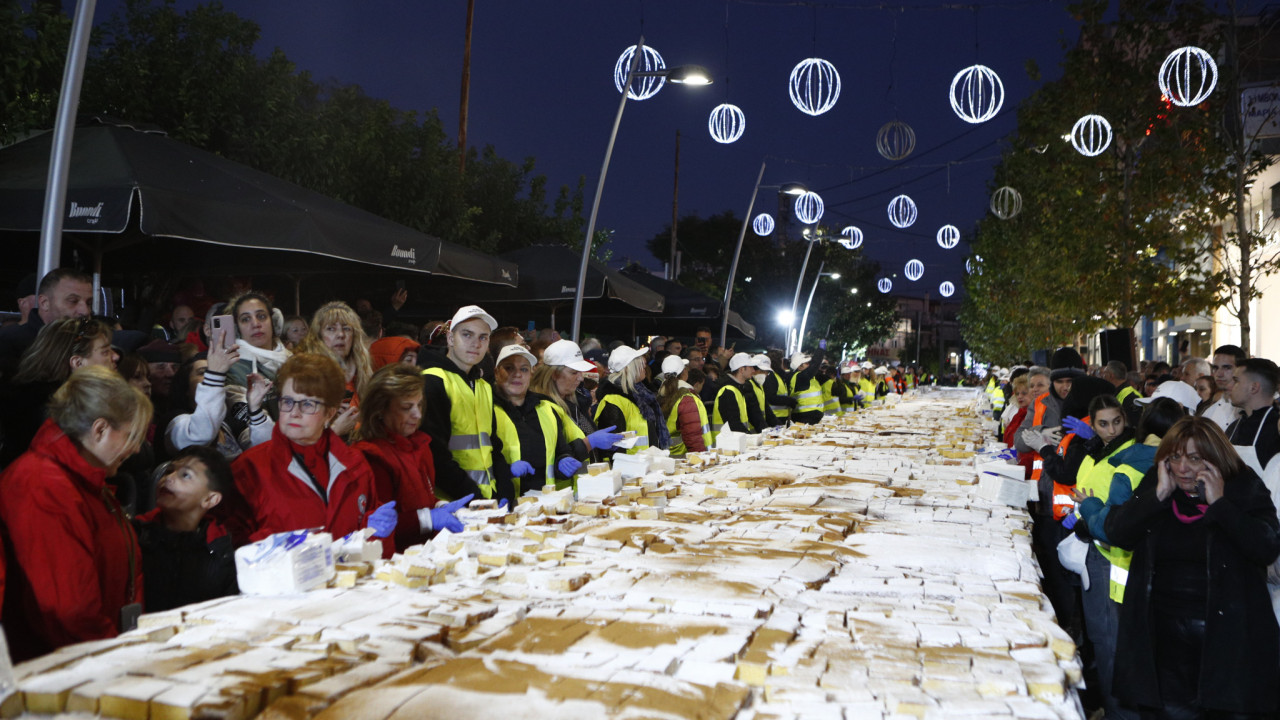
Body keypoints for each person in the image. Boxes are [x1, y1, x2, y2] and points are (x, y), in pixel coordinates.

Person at [1107, 416, 1280, 718]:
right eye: (1174, 457)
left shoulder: (1242, 485)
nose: (1183, 468)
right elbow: (1118, 534)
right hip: (1163, 638)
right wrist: (1156, 496)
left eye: (1194, 458)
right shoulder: (1159, 484)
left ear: (1215, 459)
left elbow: (1265, 547)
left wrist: (1221, 505)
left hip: (1227, 637)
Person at [0, 366, 150, 661]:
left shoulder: (86, 481)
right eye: (131, 436)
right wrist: (117, 662)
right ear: (100, 429)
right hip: (59, 675)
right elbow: (68, 611)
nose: (134, 450)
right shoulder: (43, 485)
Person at [230, 354, 397, 551]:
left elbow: (376, 550)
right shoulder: (249, 468)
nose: (294, 412)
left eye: (308, 404)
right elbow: (233, 552)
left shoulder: (356, 465)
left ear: (330, 412)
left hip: (348, 580)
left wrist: (373, 533)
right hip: (281, 580)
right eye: (288, 401)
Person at [353, 365, 471, 552]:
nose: (417, 414)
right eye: (407, 407)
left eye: (419, 404)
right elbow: (378, 527)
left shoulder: (419, 445)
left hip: (426, 553)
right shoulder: (372, 457)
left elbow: (417, 496)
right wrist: (428, 518)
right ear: (380, 410)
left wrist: (439, 504)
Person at [420, 306, 515, 504]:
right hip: (451, 503)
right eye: (467, 335)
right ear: (450, 339)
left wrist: (504, 493)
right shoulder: (432, 381)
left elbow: (493, 445)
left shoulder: (482, 386)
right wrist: (477, 499)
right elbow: (435, 455)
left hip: (487, 500)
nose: (475, 343)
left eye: (483, 337)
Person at [132, 446, 239, 612]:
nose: (168, 478)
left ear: (210, 499)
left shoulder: (221, 553)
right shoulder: (136, 534)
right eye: (169, 471)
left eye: (186, 475)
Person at [0, 317, 118, 468]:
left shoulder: (29, 398)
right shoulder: (60, 410)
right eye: (105, 351)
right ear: (78, 363)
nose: (116, 356)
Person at [491, 345, 588, 494]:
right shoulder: (487, 410)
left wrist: (563, 461)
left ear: (531, 374)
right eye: (509, 368)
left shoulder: (546, 409)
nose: (517, 374)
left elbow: (561, 451)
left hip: (545, 503)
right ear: (497, 373)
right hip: (503, 503)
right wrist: (505, 471)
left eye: (524, 369)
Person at [166, 341, 273, 460]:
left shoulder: (226, 423)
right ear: (185, 386)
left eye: (213, 373)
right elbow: (200, 435)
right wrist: (215, 375)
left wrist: (255, 408)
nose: (212, 377)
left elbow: (264, 448)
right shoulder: (174, 421)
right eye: (203, 372)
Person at [529, 339, 622, 457]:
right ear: (554, 374)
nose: (581, 378)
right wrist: (589, 443)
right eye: (574, 373)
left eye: (580, 372)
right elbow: (552, 455)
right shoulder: (539, 407)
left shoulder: (575, 402)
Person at [295, 302, 372, 437]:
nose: (340, 334)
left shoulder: (365, 376)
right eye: (331, 329)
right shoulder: (305, 378)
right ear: (318, 337)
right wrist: (335, 430)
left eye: (347, 329)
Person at [224, 292, 291, 446]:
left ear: (273, 322)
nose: (255, 324)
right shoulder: (233, 367)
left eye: (261, 316)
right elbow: (249, 432)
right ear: (237, 328)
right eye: (246, 319)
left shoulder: (295, 360)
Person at [0, 268, 93, 378]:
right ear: (44, 303)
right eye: (73, 301)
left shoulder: (89, 341)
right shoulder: (8, 342)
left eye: (89, 303)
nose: (85, 311)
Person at [595, 345, 669, 456]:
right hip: (629, 469)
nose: (644, 365)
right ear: (629, 368)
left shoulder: (641, 396)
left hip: (645, 466)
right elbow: (612, 447)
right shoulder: (614, 400)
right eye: (639, 363)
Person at [1225, 357, 1280, 477]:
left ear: (1254, 388)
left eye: (1236, 381)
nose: (1229, 386)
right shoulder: (1234, 426)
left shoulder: (1276, 428)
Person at [658, 354, 711, 456]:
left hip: (669, 456)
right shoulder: (686, 398)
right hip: (684, 458)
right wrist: (702, 459)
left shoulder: (661, 394)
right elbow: (693, 436)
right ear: (684, 373)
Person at [711, 352, 763, 441]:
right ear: (742, 370)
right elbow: (734, 424)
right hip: (727, 445)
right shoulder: (728, 391)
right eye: (751, 367)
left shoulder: (737, 388)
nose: (754, 370)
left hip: (734, 443)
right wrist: (751, 439)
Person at [1201, 344, 1246, 431]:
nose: (1219, 374)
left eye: (1227, 368)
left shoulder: (1250, 407)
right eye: (1215, 368)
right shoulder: (1209, 413)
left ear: (1241, 369)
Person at [787, 352, 825, 424]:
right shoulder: (800, 376)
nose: (809, 365)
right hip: (804, 417)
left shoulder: (809, 378)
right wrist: (820, 351)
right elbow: (815, 365)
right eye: (806, 363)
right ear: (799, 366)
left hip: (809, 416)